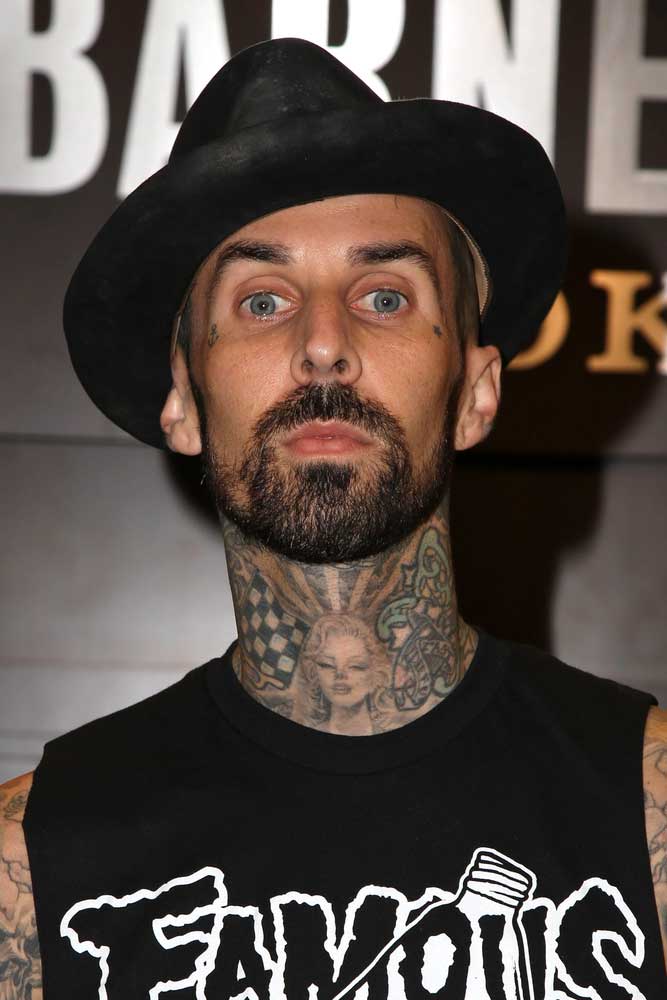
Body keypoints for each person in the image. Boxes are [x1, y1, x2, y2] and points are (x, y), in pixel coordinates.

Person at [1, 36, 665, 999]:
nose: (323, 344)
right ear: (181, 398)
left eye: (384, 295)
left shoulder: (647, 807)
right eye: (262, 300)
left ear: (476, 391)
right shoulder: (31, 866)